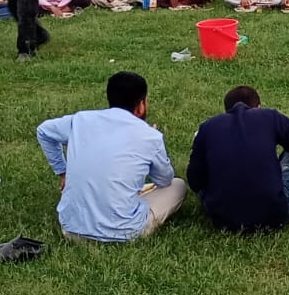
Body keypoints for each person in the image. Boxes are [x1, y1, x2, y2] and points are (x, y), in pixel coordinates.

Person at [36, 70, 186, 242]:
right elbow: (164, 180)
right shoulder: (149, 136)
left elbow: (44, 131)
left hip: (71, 229)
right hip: (126, 232)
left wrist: (62, 171)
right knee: (178, 185)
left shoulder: (80, 120)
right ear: (141, 104)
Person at [187, 85, 289, 233]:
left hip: (221, 219)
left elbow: (194, 180)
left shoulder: (208, 127)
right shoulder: (270, 117)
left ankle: (227, 199)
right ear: (259, 107)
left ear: (226, 111)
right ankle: (284, 202)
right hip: (273, 215)